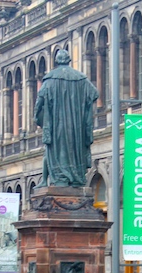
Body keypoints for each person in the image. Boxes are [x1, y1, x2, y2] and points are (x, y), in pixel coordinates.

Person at [34, 49, 99, 188]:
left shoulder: (49, 80)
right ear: (69, 60)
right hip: (76, 126)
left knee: (52, 151)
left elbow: (39, 103)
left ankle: (57, 178)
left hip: (56, 125)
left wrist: (38, 118)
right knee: (74, 150)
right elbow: (94, 93)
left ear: (57, 61)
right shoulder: (81, 79)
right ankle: (75, 176)